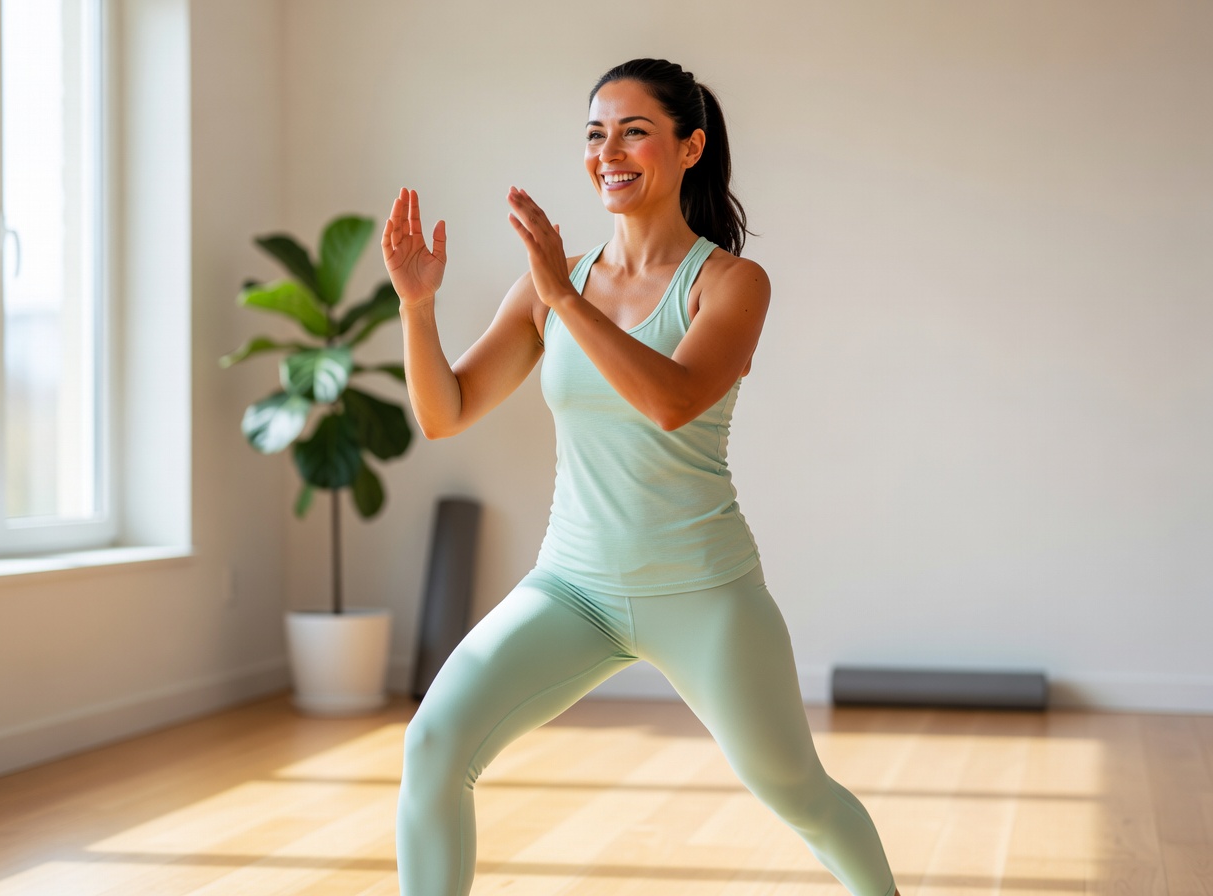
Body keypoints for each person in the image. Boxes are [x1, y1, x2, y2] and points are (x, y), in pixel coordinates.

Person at [382, 58, 901, 896]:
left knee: (797, 793)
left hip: (701, 589)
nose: (608, 151)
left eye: (635, 131)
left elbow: (673, 402)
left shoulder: (730, 283)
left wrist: (564, 296)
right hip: (572, 587)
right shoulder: (552, 285)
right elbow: (446, 413)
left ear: (690, 147)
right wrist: (416, 305)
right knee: (434, 746)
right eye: (595, 133)